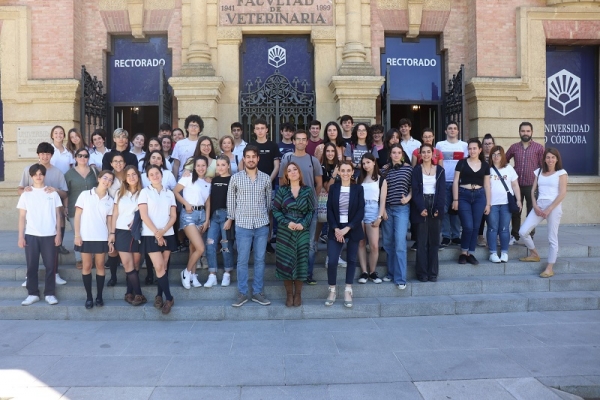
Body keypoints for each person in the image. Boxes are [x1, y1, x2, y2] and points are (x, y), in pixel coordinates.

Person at [227, 145, 272, 307]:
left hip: (261, 224)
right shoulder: (236, 178)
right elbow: (231, 201)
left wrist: (267, 222)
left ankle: (258, 292)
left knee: (260, 260)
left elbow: (268, 203)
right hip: (242, 225)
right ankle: (242, 293)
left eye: (254, 156)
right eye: (248, 156)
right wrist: (231, 218)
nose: (251, 159)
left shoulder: (266, 178)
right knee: (242, 260)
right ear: (244, 159)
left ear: (258, 158)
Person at [18, 142, 68, 286]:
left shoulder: (57, 172)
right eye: (42, 154)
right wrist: (26, 191)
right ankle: (29, 277)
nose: (45, 156)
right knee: (32, 253)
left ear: (51, 156)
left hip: (53, 216)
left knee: (54, 248)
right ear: (38, 155)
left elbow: (65, 193)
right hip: (34, 217)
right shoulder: (29, 169)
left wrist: (55, 190)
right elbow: (19, 190)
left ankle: (55, 273)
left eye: (48, 154)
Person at [278, 130, 322, 285]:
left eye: (304, 139)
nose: (301, 142)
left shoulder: (313, 160)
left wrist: (310, 199)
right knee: (291, 244)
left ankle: (307, 274)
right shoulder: (287, 159)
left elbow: (319, 183)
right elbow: (282, 182)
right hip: (290, 210)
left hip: (309, 209)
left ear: (307, 142)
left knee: (309, 244)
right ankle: (292, 274)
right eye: (299, 139)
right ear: (294, 142)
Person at [519, 148, 567, 278]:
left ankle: (549, 267)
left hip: (554, 207)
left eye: (553, 157)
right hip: (539, 206)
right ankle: (534, 254)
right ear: (544, 159)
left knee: (552, 237)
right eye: (548, 157)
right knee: (523, 231)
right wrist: (534, 205)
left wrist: (549, 209)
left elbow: (562, 193)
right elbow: (533, 190)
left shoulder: (561, 173)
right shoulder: (539, 171)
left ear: (557, 159)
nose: (550, 160)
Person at [17, 164, 62, 306]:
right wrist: (20, 236)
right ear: (31, 176)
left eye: (41, 174)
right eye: (35, 174)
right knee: (31, 266)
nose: (38, 176)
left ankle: (50, 293)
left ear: (44, 175)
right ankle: (32, 293)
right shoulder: (26, 194)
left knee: (50, 266)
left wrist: (58, 234)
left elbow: (58, 215)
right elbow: (22, 217)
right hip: (31, 234)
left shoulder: (52, 193)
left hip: (50, 234)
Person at [273, 162, 315, 306]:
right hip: (285, 230)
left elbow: (311, 210)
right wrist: (286, 222)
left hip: (302, 230)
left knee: (301, 262)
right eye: (289, 170)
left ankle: (298, 295)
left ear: (299, 172)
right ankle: (289, 295)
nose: (292, 172)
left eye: (295, 169)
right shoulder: (282, 191)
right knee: (285, 263)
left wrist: (303, 223)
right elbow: (276, 210)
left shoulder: (307, 190)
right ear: (286, 175)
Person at [138, 165, 177, 314]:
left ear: (162, 175)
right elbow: (144, 215)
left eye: (157, 173)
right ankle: (169, 298)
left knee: (164, 267)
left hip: (168, 233)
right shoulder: (144, 192)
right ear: (148, 177)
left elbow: (173, 216)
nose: (155, 176)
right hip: (150, 235)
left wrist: (163, 231)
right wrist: (157, 233)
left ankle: (159, 295)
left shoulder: (169, 193)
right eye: (151, 174)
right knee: (159, 267)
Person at [325, 161, 364, 308]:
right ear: (339, 172)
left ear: (352, 172)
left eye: (349, 170)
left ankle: (348, 290)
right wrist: (335, 228)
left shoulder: (358, 189)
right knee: (333, 261)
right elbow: (329, 209)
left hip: (352, 228)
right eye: (343, 170)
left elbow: (361, 210)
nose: (346, 173)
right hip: (336, 227)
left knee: (352, 259)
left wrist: (348, 228)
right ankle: (332, 290)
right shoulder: (334, 188)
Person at [73, 170, 115, 309]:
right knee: (86, 266)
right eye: (105, 178)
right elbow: (77, 216)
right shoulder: (85, 195)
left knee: (100, 266)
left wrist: (110, 237)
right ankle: (89, 297)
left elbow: (109, 221)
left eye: (110, 180)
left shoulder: (110, 201)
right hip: (85, 237)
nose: (107, 181)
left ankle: (99, 296)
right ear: (98, 178)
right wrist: (77, 235)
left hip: (101, 237)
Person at [241, 119, 281, 254]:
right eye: (257, 128)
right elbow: (244, 164)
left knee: (268, 212)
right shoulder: (250, 145)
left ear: (267, 130)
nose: (260, 130)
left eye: (262, 128)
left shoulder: (273, 146)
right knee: (252, 211)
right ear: (254, 131)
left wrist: (267, 181)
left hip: (269, 185)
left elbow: (277, 166)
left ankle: (268, 241)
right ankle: (253, 241)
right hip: (251, 186)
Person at [109, 166, 147, 306]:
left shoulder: (144, 193)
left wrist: (138, 219)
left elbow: (147, 213)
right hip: (121, 231)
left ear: (138, 176)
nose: (131, 177)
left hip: (138, 231)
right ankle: (139, 294)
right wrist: (112, 233)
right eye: (128, 175)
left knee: (136, 264)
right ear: (125, 178)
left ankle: (128, 293)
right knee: (127, 264)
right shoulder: (120, 193)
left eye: (134, 174)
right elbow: (115, 214)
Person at [451, 138, 491, 265]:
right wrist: (455, 199)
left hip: (479, 196)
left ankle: (470, 253)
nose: (472, 150)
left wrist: (488, 203)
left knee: (475, 226)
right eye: (470, 148)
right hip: (463, 195)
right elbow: (456, 181)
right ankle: (463, 252)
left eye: (474, 148)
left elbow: (487, 185)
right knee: (467, 226)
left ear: (480, 150)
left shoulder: (485, 165)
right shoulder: (462, 163)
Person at [174, 156, 211, 289]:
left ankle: (193, 276)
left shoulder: (207, 182)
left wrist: (207, 220)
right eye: (198, 165)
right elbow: (176, 191)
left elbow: (207, 202)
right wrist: (186, 203)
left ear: (207, 167)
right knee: (201, 248)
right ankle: (186, 272)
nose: (201, 168)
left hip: (201, 216)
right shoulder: (187, 177)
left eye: (203, 165)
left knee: (194, 247)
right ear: (194, 167)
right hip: (189, 214)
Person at [411, 144, 446, 282]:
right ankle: (421, 273)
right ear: (420, 155)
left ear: (433, 154)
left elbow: (442, 192)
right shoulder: (416, 170)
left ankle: (433, 273)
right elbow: (415, 191)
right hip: (421, 204)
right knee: (421, 242)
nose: (426, 154)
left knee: (434, 241)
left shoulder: (440, 170)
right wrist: (421, 208)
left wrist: (438, 208)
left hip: (435, 204)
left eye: (428, 152)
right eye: (423, 152)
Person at [506, 122, 545, 245]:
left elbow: (542, 166)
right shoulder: (514, 147)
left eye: (528, 131)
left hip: (531, 185)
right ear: (519, 132)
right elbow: (504, 160)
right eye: (523, 131)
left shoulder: (539, 148)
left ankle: (529, 235)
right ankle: (515, 235)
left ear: (532, 132)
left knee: (531, 212)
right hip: (516, 185)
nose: (525, 133)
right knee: (516, 211)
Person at [380, 144, 412, 289]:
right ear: (390, 154)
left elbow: (414, 186)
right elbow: (381, 191)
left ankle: (400, 278)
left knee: (399, 243)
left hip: (401, 209)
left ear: (402, 154)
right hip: (387, 209)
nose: (396, 155)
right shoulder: (384, 170)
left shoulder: (408, 169)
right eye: (394, 152)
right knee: (387, 243)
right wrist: (383, 210)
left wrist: (408, 198)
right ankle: (391, 273)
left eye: (399, 152)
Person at [64, 148, 98, 270]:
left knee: (91, 233)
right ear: (76, 158)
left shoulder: (94, 172)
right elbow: (66, 191)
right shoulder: (69, 174)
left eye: (85, 156)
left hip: (92, 209)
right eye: (80, 156)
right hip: (74, 208)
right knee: (77, 234)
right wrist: (66, 207)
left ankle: (92, 257)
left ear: (88, 158)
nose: (83, 158)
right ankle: (79, 259)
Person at [436, 121, 468, 248]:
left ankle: (455, 235)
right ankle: (446, 236)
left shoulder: (464, 145)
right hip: (444, 181)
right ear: (446, 131)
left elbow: (466, 163)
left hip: (459, 182)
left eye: (455, 128)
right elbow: (437, 161)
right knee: (444, 210)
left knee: (456, 209)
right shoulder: (440, 145)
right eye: (450, 128)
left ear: (458, 131)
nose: (452, 130)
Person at [487, 145, 521, 263]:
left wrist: (519, 200)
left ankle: (504, 252)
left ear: (503, 156)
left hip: (506, 204)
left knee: (504, 228)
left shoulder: (509, 168)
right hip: (492, 204)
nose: (496, 157)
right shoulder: (487, 169)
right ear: (491, 156)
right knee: (492, 228)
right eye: (494, 154)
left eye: (499, 154)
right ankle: (492, 253)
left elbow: (515, 185)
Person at [206, 156, 234, 287]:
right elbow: (210, 199)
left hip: (226, 215)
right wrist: (208, 218)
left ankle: (227, 273)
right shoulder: (214, 180)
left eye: (223, 165)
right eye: (218, 165)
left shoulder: (233, 180)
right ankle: (212, 274)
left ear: (228, 165)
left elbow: (235, 200)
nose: (220, 167)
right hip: (214, 216)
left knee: (226, 246)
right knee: (210, 244)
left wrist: (230, 218)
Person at [357, 153, 383, 284]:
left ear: (374, 162)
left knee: (374, 245)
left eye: (368, 162)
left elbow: (382, 201)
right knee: (361, 242)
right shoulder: (359, 179)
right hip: (360, 209)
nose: (365, 165)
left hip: (373, 210)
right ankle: (364, 271)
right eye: (363, 163)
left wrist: (380, 216)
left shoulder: (381, 179)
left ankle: (372, 271)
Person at [49, 125, 72, 255]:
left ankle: (60, 244)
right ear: (52, 135)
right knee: (51, 215)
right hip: (50, 185)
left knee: (61, 215)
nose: (58, 135)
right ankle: (50, 243)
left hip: (63, 187)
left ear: (64, 136)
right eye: (56, 133)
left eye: (61, 133)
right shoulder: (49, 149)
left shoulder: (68, 151)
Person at [478, 133, 495, 247]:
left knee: (493, 215)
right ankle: (480, 237)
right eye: (485, 144)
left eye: (490, 144)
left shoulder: (497, 157)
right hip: (481, 189)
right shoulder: (479, 158)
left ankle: (493, 236)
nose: (488, 146)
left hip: (495, 190)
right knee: (481, 214)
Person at [172, 115, 202, 179]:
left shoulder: (203, 143)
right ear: (187, 128)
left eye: (196, 126)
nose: (193, 128)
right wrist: (174, 181)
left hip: (199, 178)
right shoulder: (179, 144)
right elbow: (176, 164)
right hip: (182, 179)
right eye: (191, 125)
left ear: (199, 129)